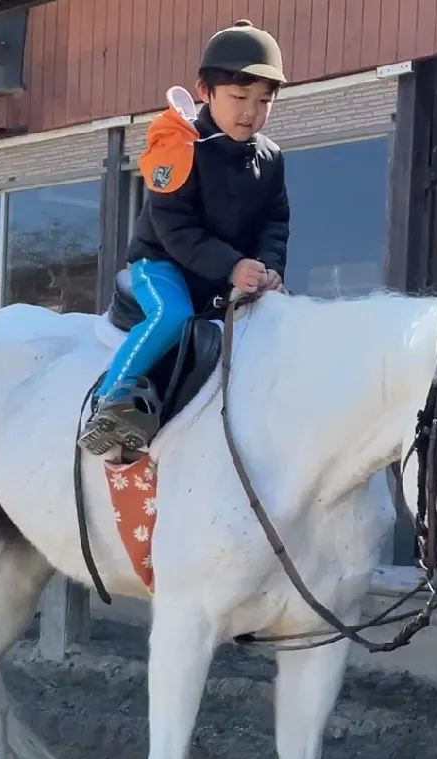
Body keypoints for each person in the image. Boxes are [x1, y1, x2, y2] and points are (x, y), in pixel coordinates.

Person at [78, 19, 290, 455]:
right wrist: (231, 265)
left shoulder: (270, 157)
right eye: (238, 97)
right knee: (172, 316)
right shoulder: (180, 147)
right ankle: (108, 400)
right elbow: (176, 229)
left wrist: (269, 267)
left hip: (229, 274)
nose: (251, 111)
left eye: (263, 101)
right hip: (164, 264)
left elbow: (275, 219)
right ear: (206, 92)